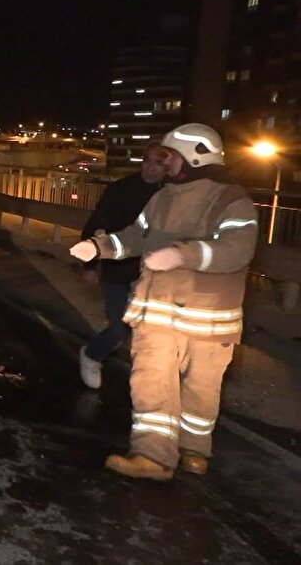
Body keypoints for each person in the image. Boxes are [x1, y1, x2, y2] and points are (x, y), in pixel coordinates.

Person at [69, 123, 257, 481]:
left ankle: (194, 451)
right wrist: (99, 247)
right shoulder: (161, 198)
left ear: (194, 156)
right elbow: (134, 236)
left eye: (170, 156)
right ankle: (152, 457)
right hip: (157, 311)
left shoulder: (232, 200)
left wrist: (180, 255)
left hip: (209, 319)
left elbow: (236, 250)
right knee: (150, 380)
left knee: (202, 386)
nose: (164, 163)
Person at [77, 143, 168, 388]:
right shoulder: (121, 190)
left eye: (158, 163)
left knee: (149, 327)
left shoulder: (172, 194)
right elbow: (96, 226)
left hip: (154, 273)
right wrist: (90, 264)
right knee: (120, 327)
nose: (150, 168)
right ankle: (92, 354)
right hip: (118, 269)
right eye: (147, 161)